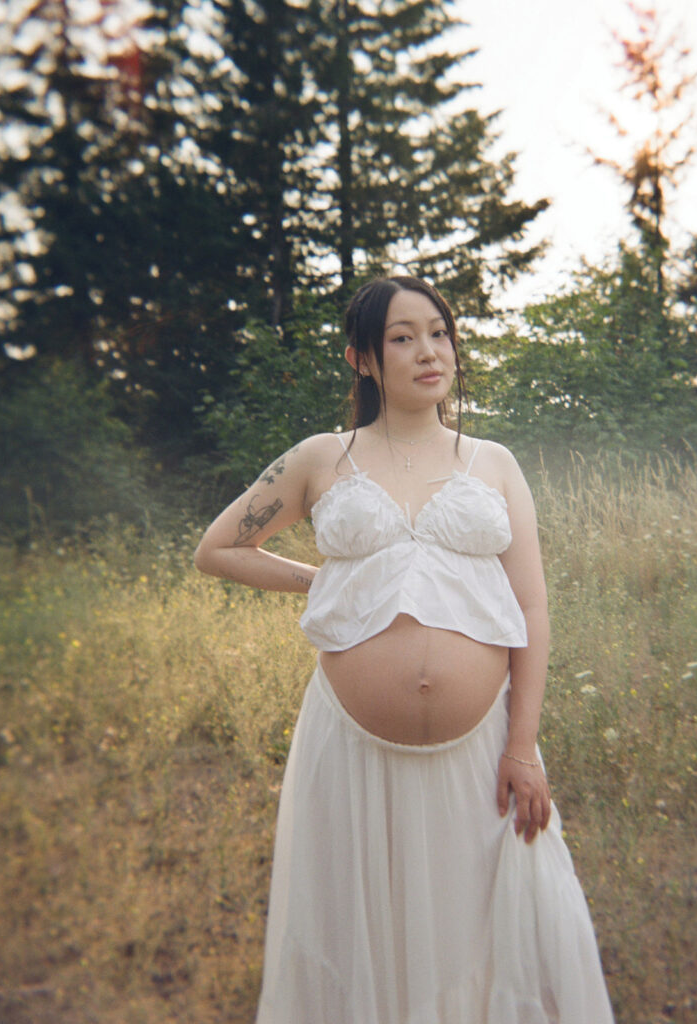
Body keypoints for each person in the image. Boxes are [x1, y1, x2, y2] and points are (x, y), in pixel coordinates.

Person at [194, 276, 615, 1023]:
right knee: (363, 937)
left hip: (482, 752)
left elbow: (531, 606)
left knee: (492, 935)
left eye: (440, 332)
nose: (429, 350)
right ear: (363, 358)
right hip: (351, 753)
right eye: (403, 336)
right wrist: (328, 583)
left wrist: (522, 746)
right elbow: (220, 547)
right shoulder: (323, 457)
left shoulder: (493, 463)